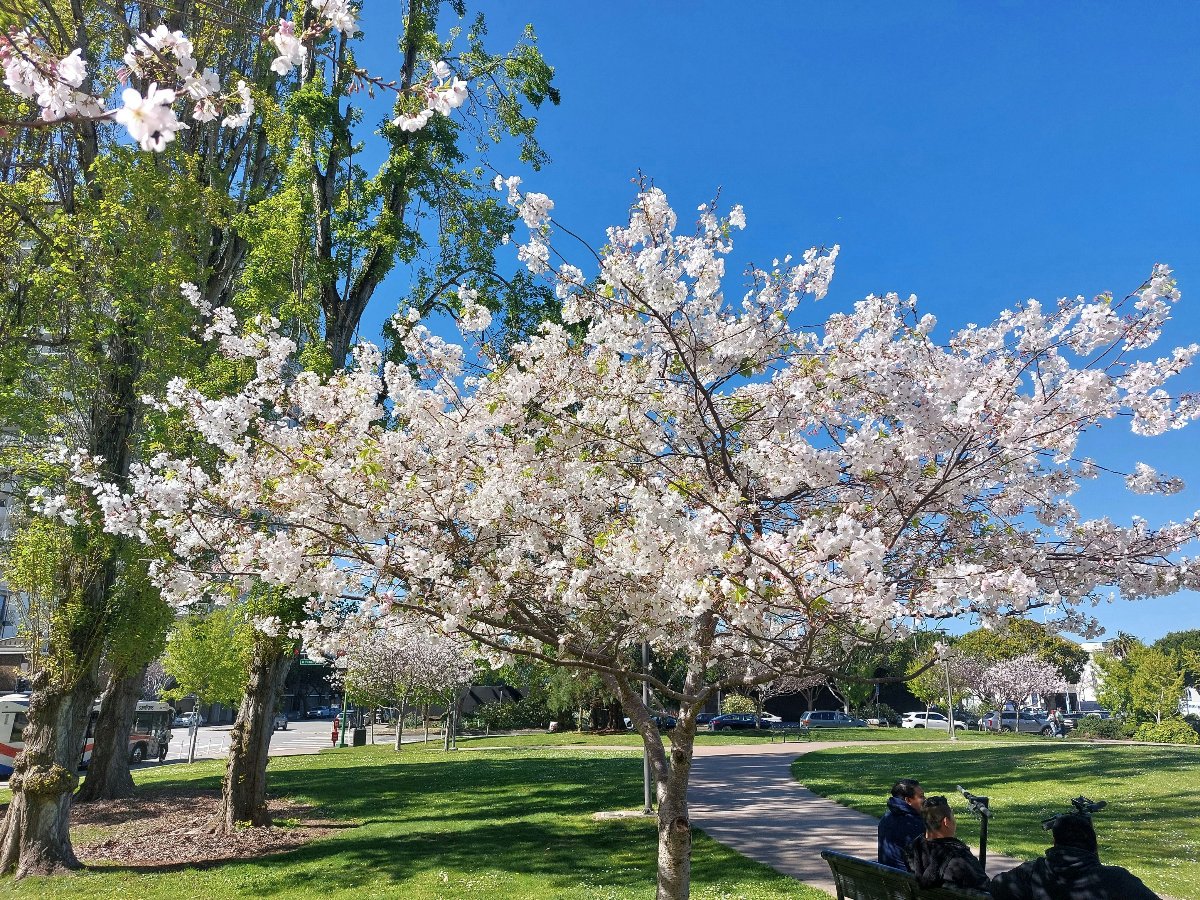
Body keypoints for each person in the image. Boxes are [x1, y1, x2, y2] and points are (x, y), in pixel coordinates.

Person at [989, 813, 1160, 899]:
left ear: (1055, 842)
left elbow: (997, 886)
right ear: (1094, 844)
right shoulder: (1116, 880)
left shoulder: (1033, 871)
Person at [904, 796, 990, 891]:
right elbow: (985, 891)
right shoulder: (960, 859)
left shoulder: (913, 850)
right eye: (953, 816)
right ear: (946, 822)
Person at [878, 778, 926, 869]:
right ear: (908, 800)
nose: (925, 799)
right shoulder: (913, 823)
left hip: (886, 877)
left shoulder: (887, 817)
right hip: (906, 880)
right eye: (921, 796)